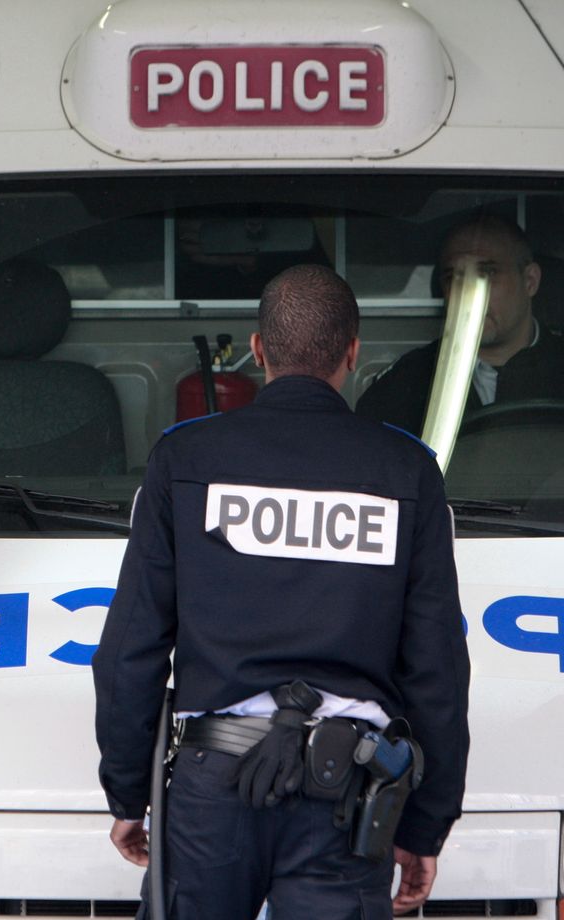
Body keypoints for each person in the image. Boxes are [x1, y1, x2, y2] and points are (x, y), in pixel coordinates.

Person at [93, 265, 470, 918]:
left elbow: (132, 648)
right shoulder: (406, 470)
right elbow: (436, 664)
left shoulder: (186, 460)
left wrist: (129, 794)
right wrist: (423, 825)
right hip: (346, 793)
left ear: (259, 348)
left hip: (213, 789)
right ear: (354, 354)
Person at [356, 214, 564, 443]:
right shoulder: (406, 383)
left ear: (530, 281)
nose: (468, 295)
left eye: (487, 274)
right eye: (455, 278)